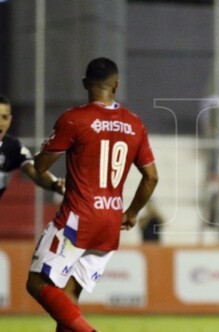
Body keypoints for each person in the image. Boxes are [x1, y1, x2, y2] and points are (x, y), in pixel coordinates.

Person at [25, 57, 159, 332]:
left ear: (86, 84)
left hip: (77, 220)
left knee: (37, 282)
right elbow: (151, 177)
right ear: (116, 85)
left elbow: (40, 166)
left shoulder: (75, 119)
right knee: (69, 297)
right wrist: (131, 213)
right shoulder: (135, 124)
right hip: (110, 224)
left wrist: (44, 150)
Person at [0, 95, 65, 199]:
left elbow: (34, 172)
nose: (0, 123)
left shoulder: (12, 146)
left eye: (4, 117)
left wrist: (55, 184)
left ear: (10, 120)